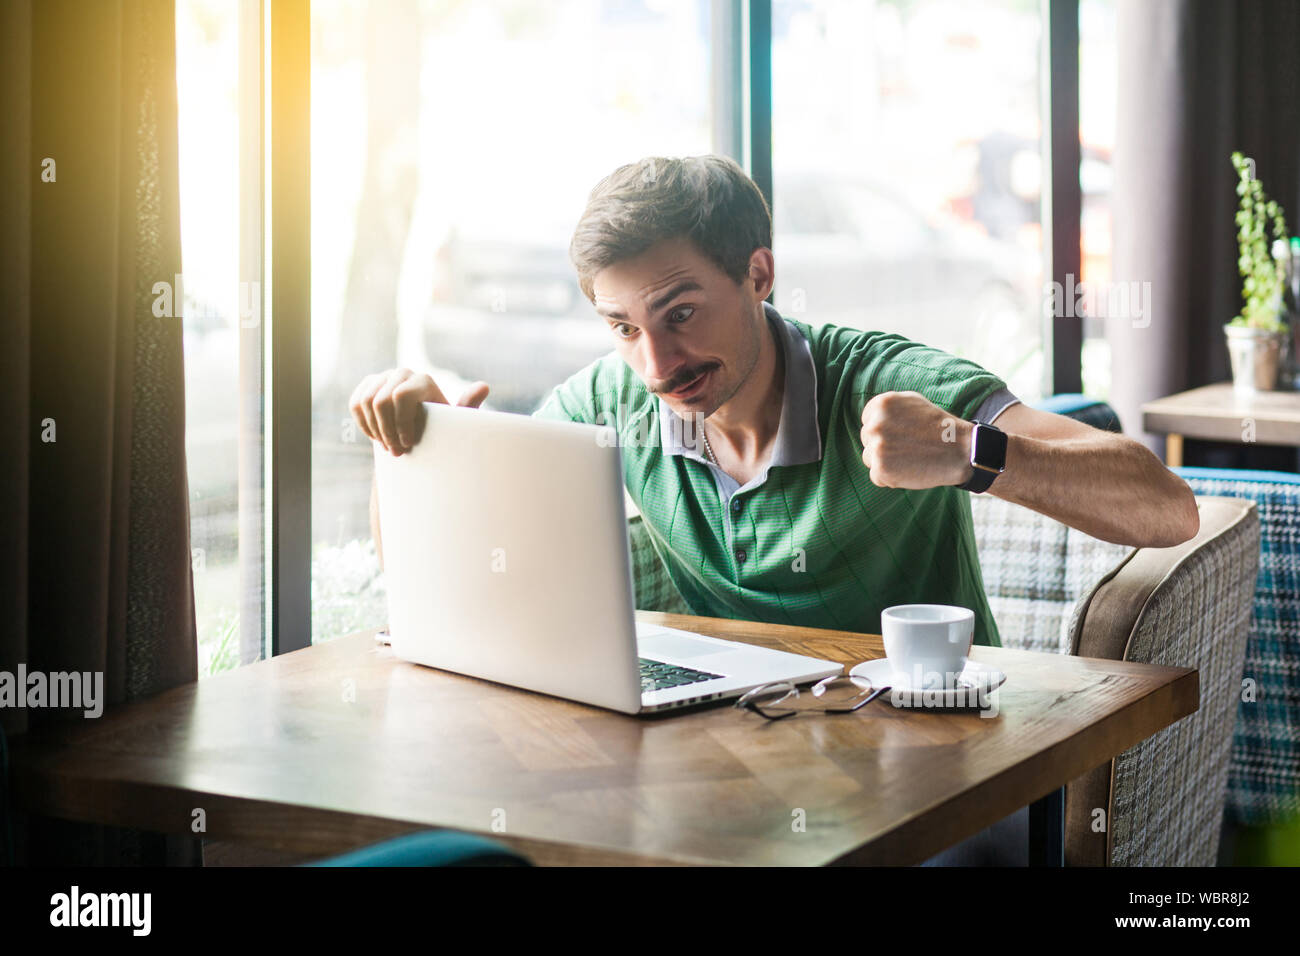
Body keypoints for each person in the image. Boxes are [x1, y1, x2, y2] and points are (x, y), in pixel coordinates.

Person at [348, 154, 1199, 864]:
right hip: (721, 770)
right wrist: (418, 444)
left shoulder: (878, 379)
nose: (657, 362)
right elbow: (430, 581)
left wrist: (965, 452)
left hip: (935, 777)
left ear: (758, 273)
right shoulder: (612, 401)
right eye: (624, 328)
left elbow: (1166, 510)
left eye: (680, 313)